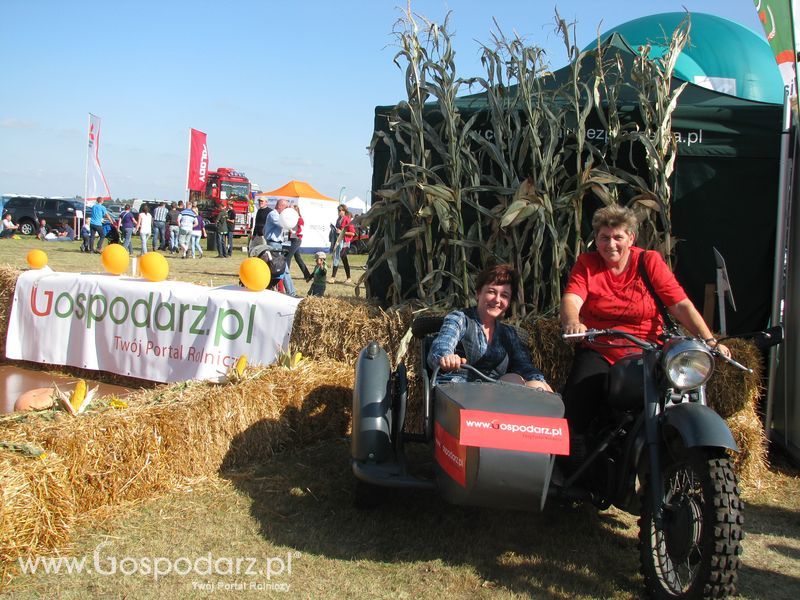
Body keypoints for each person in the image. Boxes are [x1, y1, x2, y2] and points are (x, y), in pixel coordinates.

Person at [559, 205, 730, 458]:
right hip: (601, 348)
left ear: (631, 238)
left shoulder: (649, 261)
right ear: (596, 240)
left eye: (618, 237)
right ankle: (573, 458)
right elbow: (572, 299)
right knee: (578, 397)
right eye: (604, 237)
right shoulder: (587, 264)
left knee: (671, 396)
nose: (611, 244)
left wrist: (710, 341)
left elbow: (680, 304)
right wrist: (573, 322)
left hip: (647, 351)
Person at [427, 263, 553, 391]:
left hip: (492, 397)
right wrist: (447, 358)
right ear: (478, 293)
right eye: (492, 292)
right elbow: (441, 346)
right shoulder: (460, 319)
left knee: (520, 381)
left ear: (509, 302)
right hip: (457, 390)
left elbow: (525, 366)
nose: (497, 300)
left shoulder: (509, 334)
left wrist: (541, 382)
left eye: (504, 295)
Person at [263, 199, 296, 296]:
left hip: (277, 244)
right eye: (285, 207)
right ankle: (291, 293)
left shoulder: (277, 215)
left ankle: (272, 290)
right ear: (280, 206)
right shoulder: (273, 215)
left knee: (276, 268)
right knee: (283, 268)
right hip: (274, 244)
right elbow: (282, 223)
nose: (286, 210)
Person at [328, 204, 355, 284]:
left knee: (341, 257)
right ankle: (339, 277)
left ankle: (341, 277)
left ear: (344, 211)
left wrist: (342, 232)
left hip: (345, 242)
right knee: (340, 258)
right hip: (338, 242)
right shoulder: (338, 219)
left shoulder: (347, 220)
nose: (339, 212)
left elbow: (352, 233)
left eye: (340, 210)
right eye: (338, 210)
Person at [286, 206, 311, 281]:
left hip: (296, 240)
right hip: (291, 239)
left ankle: (286, 275)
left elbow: (301, 230)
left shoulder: (299, 219)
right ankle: (307, 275)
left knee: (288, 256)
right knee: (298, 258)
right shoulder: (291, 219)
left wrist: (294, 232)